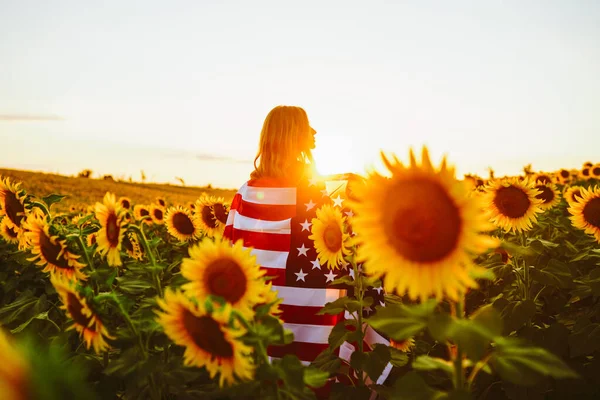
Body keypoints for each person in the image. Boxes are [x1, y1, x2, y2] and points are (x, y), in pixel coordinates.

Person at [222, 105, 390, 396]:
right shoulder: (317, 194)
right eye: (307, 126)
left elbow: (229, 252)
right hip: (315, 318)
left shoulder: (245, 193)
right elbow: (350, 242)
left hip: (264, 312)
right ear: (292, 135)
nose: (314, 132)